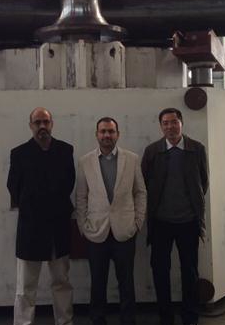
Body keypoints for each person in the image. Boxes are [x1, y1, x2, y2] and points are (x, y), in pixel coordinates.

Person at [7, 107, 76, 325]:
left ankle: (65, 321)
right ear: (31, 126)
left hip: (58, 227)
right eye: (37, 122)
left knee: (62, 281)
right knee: (25, 286)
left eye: (46, 122)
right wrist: (33, 206)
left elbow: (69, 183)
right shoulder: (19, 154)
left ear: (52, 124)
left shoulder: (65, 150)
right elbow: (13, 187)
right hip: (30, 227)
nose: (42, 126)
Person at [141, 108, 209, 325]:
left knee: (190, 271)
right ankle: (166, 317)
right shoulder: (152, 151)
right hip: (160, 222)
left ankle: (190, 316)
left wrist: (193, 206)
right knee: (160, 270)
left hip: (188, 222)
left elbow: (203, 182)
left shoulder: (196, 149)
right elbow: (144, 183)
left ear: (182, 123)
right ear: (161, 126)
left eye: (174, 122)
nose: (170, 127)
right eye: (165, 123)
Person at [76, 117, 147, 325]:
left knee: (126, 281)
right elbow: (81, 196)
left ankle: (128, 320)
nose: (107, 135)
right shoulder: (85, 161)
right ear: (96, 135)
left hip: (125, 230)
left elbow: (140, 192)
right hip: (96, 231)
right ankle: (97, 319)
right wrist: (83, 226)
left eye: (111, 131)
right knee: (97, 281)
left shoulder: (132, 159)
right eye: (103, 131)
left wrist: (138, 222)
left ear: (118, 134)